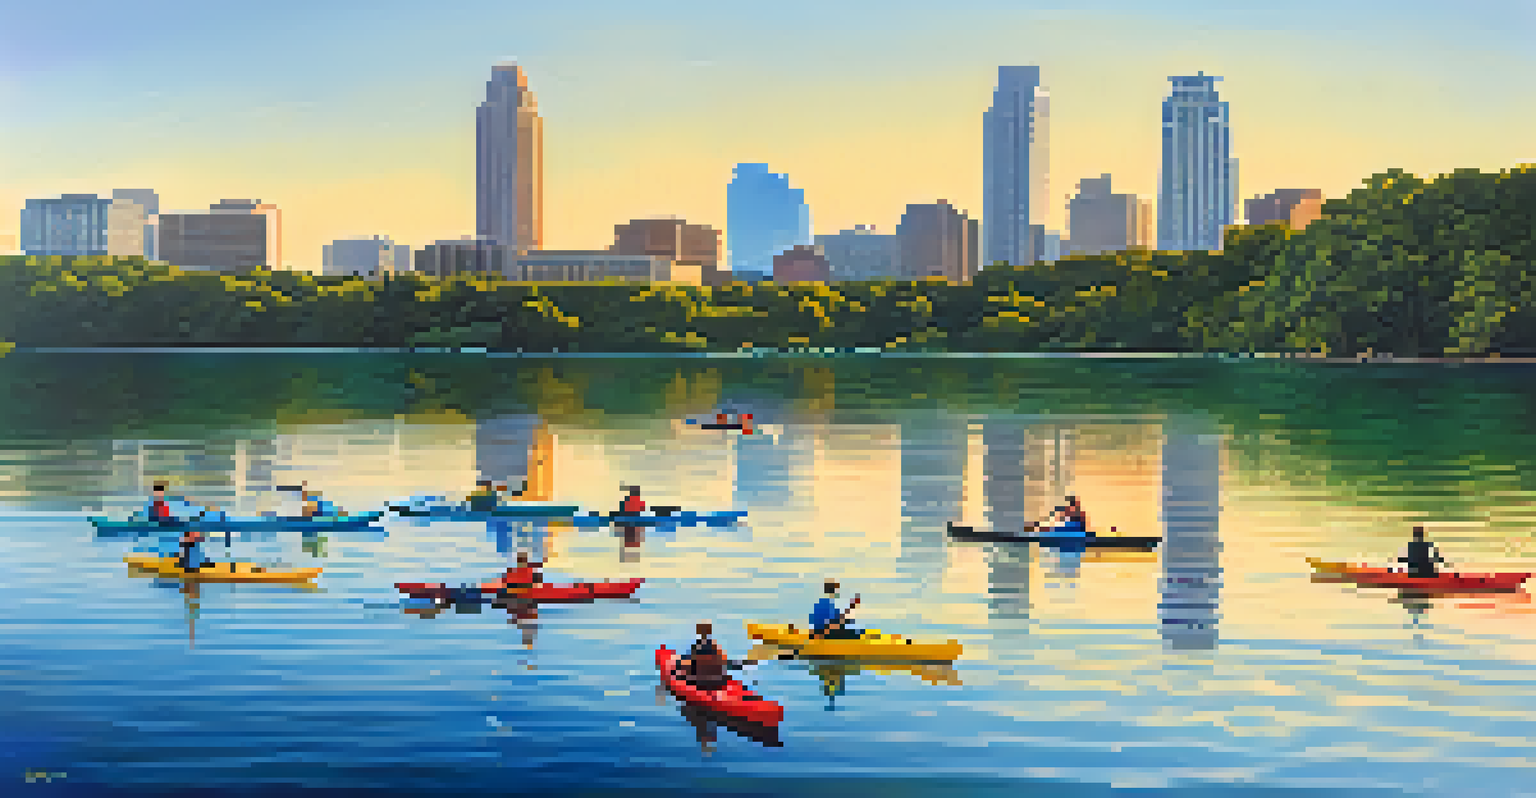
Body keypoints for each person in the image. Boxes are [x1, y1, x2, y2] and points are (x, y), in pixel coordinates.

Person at [682, 622, 729, 692]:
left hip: (700, 683)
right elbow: (722, 667)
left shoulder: (696, 648)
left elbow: (690, 666)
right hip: (717, 683)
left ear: (698, 632)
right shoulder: (716, 648)